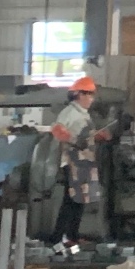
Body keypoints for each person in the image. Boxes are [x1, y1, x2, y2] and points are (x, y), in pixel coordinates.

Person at [49, 76, 109, 245]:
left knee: (80, 199)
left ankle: (72, 236)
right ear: (79, 95)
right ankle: (59, 238)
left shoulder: (83, 114)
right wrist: (75, 140)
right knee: (71, 200)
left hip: (84, 162)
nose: (92, 99)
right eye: (89, 95)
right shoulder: (70, 112)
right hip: (73, 162)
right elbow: (57, 130)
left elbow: (86, 135)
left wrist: (98, 136)